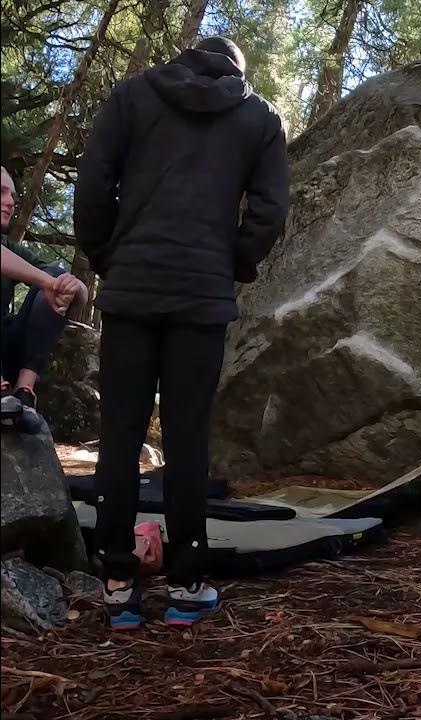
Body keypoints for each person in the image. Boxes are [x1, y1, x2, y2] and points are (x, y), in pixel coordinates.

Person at [73, 36, 289, 630]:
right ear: (236, 69)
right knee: (188, 437)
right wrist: (232, 265)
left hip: (132, 288)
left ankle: (117, 582)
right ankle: (189, 583)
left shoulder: (133, 96)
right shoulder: (258, 116)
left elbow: (93, 185)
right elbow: (270, 210)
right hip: (201, 296)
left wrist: (107, 257)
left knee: (117, 434)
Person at [1, 166, 88, 407]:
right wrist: (49, 283)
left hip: (8, 347)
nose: (10, 202)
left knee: (57, 273)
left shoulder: (10, 247)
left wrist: (71, 287)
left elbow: (66, 283)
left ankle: (23, 392)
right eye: (1, 192)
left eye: (13, 197)